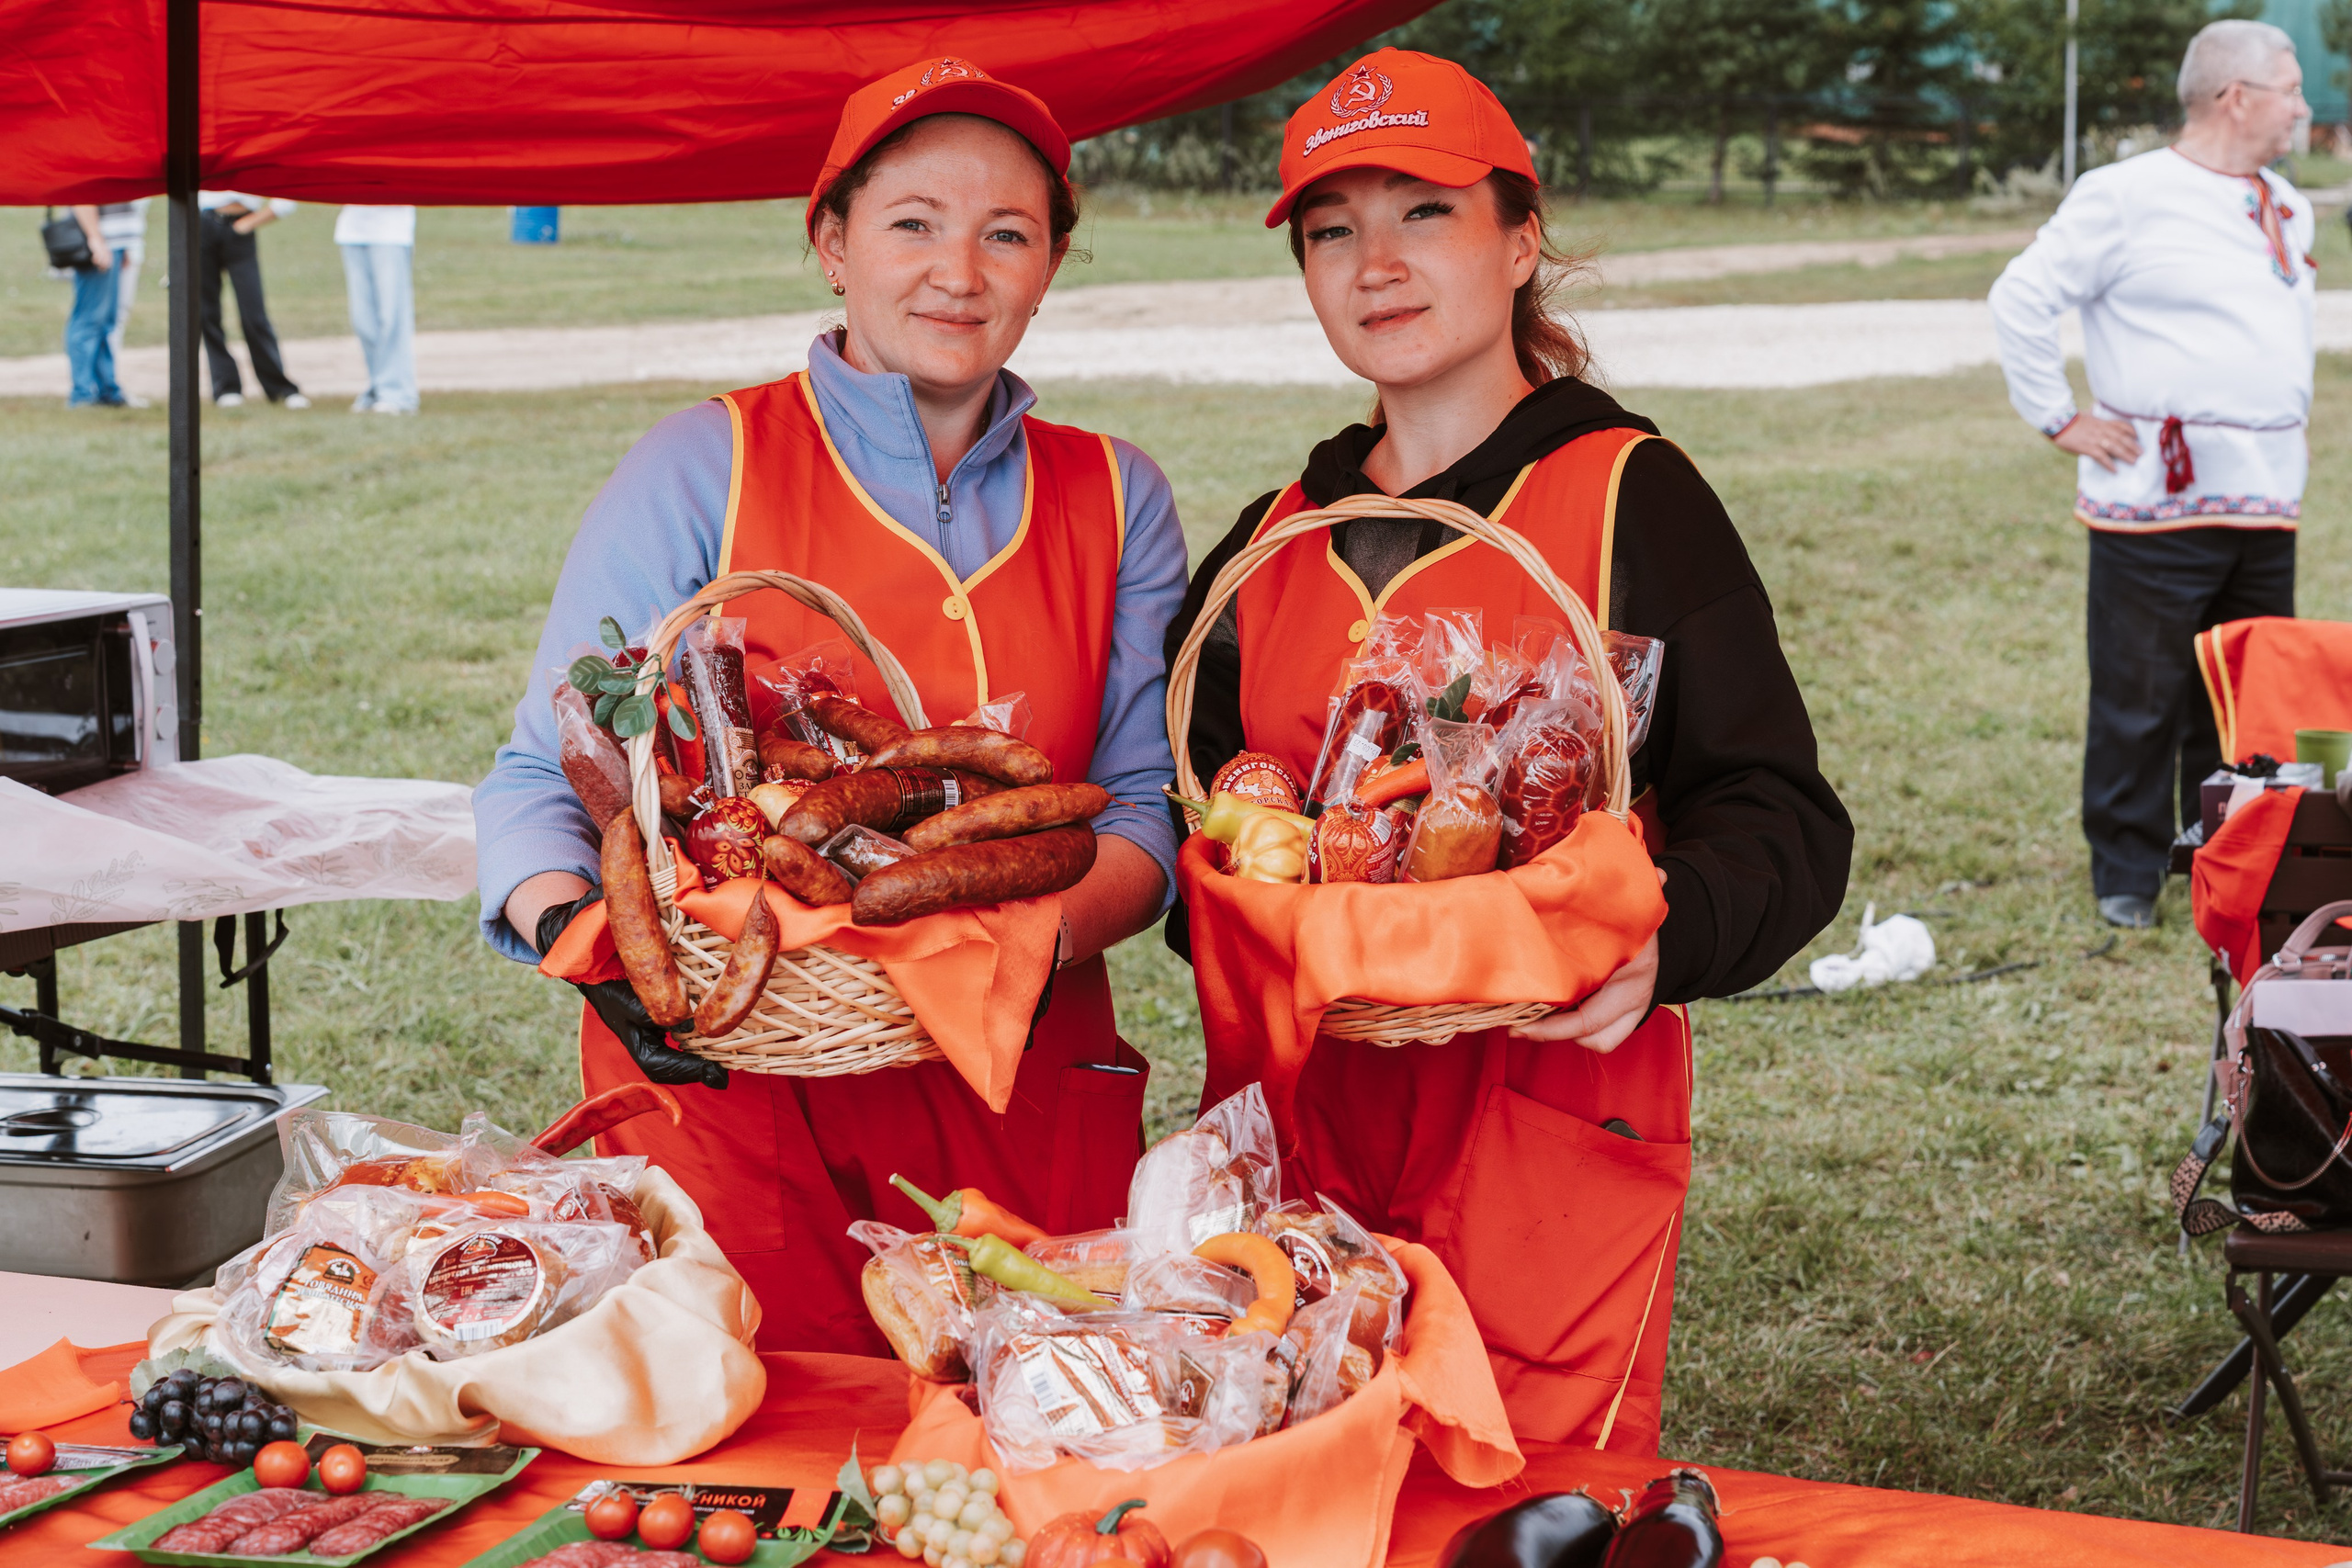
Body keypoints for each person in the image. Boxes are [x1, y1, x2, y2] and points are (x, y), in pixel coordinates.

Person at [1164, 49, 1851, 1452]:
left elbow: (1779, 811)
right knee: (1294, 1481)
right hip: (1300, 1117)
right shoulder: (1274, 537)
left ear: (1519, 235)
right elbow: (1200, 824)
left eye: (1424, 210)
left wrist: (1673, 936)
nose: (1377, 262)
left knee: (1520, 1504)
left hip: (1544, 1106)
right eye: (1331, 227)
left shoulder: (1625, 494)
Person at [473, 58, 1187, 1353]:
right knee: (766, 1475)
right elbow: (543, 771)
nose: (957, 271)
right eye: (912, 222)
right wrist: (596, 938)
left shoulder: (1117, 495)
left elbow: (1141, 807)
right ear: (832, 242)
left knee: (1024, 1475)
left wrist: (1022, 953)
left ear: (1052, 263)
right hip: (737, 1078)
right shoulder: (703, 466)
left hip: (1020, 1087)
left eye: (1005, 233)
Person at [1989, 18, 2312, 931]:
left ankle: (2225, 852)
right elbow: (2020, 296)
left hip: (2263, 497)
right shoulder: (2125, 196)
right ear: (2234, 96)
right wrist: (2058, 417)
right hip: (2155, 497)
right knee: (2139, 690)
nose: (2303, 104)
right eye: (2289, 87)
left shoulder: (2287, 205)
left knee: (2241, 692)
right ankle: (2126, 869)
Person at [196, 190, 310, 408]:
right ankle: (226, 387)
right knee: (207, 312)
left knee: (253, 314)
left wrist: (251, 221)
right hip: (204, 225)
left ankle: (279, 387)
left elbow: (286, 198)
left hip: (242, 226)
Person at [336, 205, 419, 414]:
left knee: (392, 316)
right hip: (351, 231)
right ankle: (377, 387)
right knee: (362, 320)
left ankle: (399, 394)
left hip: (391, 232)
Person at [62, 205, 126, 408]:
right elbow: (82, 196)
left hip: (114, 241)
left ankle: (107, 389)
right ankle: (82, 392)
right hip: (101, 241)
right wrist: (95, 237)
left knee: (105, 322)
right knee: (89, 320)